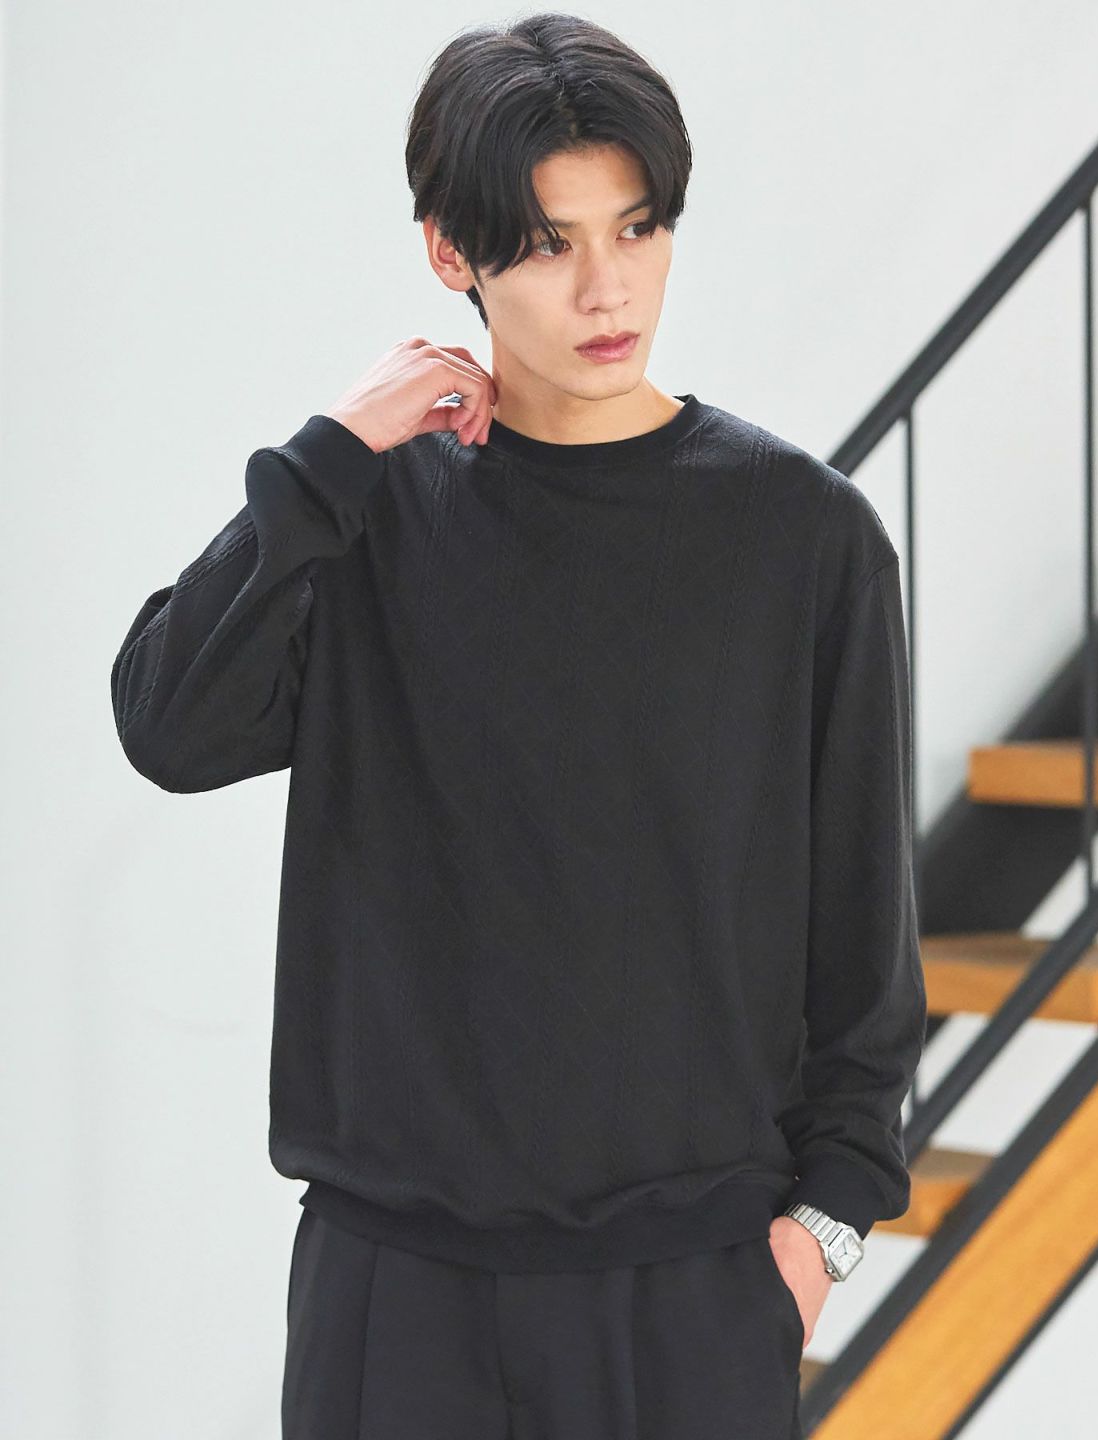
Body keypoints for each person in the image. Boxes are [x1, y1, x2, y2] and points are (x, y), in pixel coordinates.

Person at [110, 12, 927, 1439]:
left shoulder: (803, 537)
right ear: (453, 253)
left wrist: (826, 1231)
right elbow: (170, 728)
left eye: (638, 228)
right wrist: (322, 462)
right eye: (550, 245)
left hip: (688, 1298)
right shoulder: (369, 516)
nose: (610, 288)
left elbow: (865, 935)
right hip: (395, 1291)